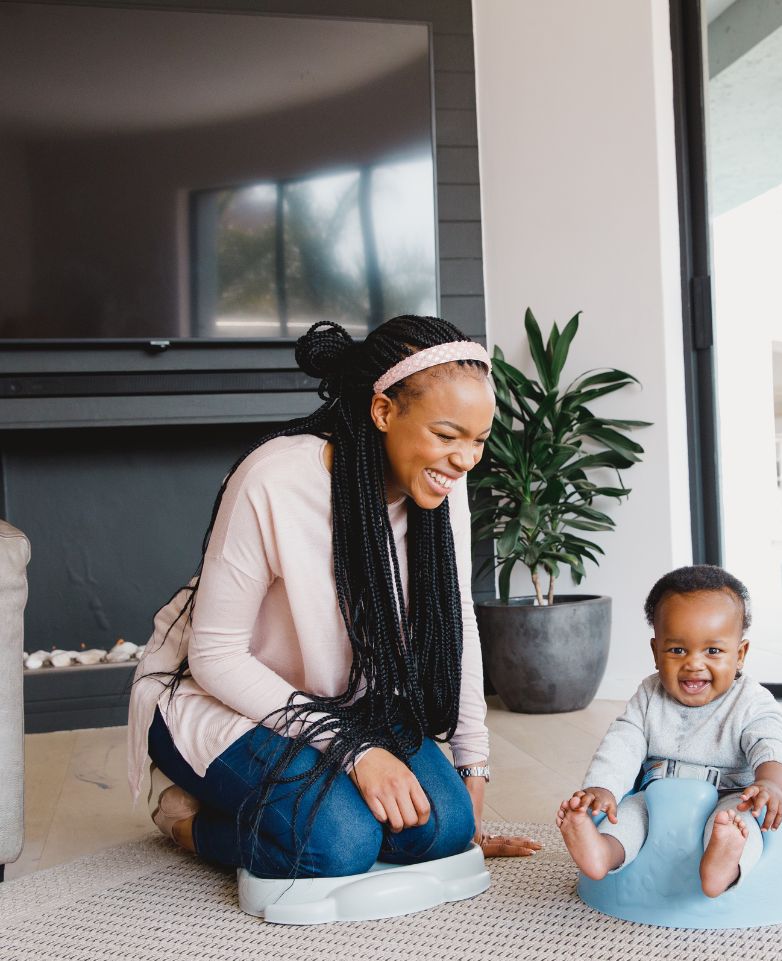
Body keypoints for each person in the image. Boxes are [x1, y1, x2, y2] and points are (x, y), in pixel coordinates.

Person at [127, 316, 540, 879]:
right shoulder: (274, 478)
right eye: (447, 436)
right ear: (383, 412)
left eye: (479, 440)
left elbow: (456, 617)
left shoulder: (445, 483)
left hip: (346, 701)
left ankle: (297, 800)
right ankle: (186, 819)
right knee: (338, 844)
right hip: (217, 698)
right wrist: (358, 754)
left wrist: (473, 765)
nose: (466, 459)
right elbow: (214, 656)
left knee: (444, 830)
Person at [557, 565, 782, 896]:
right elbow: (623, 743)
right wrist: (603, 788)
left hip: (729, 797)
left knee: (740, 826)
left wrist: (769, 783)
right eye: (678, 650)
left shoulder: (750, 700)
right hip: (657, 797)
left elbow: (771, 743)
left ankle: (723, 867)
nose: (694, 663)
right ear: (656, 652)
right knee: (629, 817)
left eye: (712, 650)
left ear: (739, 654)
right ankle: (601, 853)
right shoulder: (650, 694)